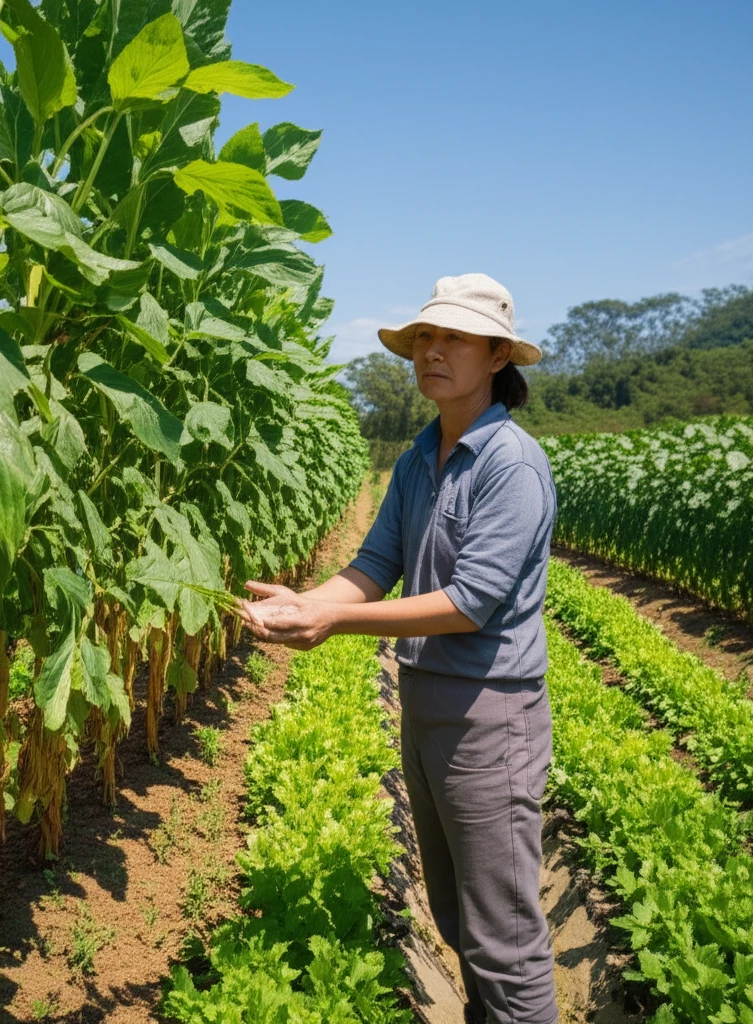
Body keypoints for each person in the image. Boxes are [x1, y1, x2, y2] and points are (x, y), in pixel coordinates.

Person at [236, 272, 560, 1024]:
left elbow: (469, 602)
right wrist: (302, 602)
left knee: (503, 940)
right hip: (425, 705)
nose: (432, 351)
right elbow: (374, 566)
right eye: (424, 338)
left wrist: (334, 625)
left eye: (452, 338)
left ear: (497, 355)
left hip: (491, 719)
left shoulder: (511, 465)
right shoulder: (418, 459)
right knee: (455, 919)